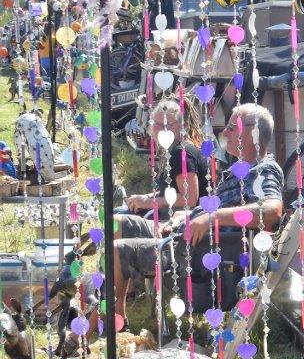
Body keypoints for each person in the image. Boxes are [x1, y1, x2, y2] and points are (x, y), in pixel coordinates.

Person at [111, 103, 283, 323]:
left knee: (116, 250)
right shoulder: (240, 168)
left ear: (252, 133)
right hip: (179, 230)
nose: (225, 132)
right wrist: (182, 217)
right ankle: (117, 311)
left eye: (231, 128)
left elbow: (272, 211)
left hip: (191, 250)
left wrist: (212, 217)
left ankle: (112, 319)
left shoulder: (262, 171)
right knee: (116, 222)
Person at [116, 98, 209, 229]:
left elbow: (190, 199)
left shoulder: (182, 153)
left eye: (166, 125)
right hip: (168, 215)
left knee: (114, 221)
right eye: (156, 124)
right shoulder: (173, 149)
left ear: (183, 126)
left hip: (179, 223)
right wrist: (146, 197)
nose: (160, 129)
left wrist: (148, 202)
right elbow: (171, 190)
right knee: (116, 212)